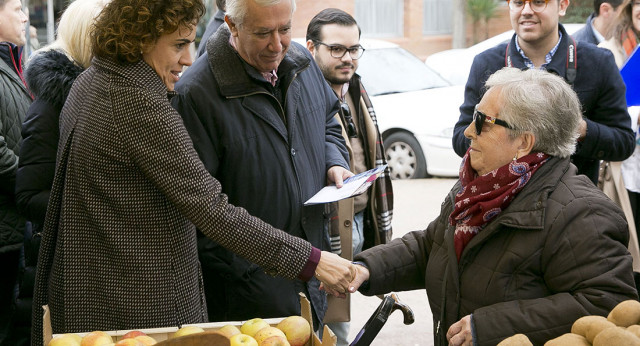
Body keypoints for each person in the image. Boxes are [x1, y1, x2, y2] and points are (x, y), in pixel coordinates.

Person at [30, 0, 354, 344]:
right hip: (136, 306)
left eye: (190, 43)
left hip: (93, 294)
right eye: (179, 45)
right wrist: (310, 260)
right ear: (140, 39)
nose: (187, 58)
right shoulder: (140, 104)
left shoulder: (94, 80)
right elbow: (212, 209)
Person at [348, 67, 639, 346]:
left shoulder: (582, 213)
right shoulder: (478, 186)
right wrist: (366, 268)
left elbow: (606, 303)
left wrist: (488, 327)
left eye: (483, 121)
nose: (469, 132)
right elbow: (432, 246)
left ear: (524, 142)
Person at [172, 0, 352, 329]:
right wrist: (251, 275)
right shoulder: (195, 96)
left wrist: (333, 160)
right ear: (232, 25)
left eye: (284, 29)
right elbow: (200, 216)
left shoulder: (301, 63)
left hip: (313, 276)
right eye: (263, 33)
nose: (277, 44)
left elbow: (327, 122)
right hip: (248, 300)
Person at [452, 0, 635, 186]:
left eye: (539, 2)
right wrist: (498, 133)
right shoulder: (486, 64)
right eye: (518, 3)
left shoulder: (598, 62)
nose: (526, 11)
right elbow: (460, 138)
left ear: (562, 6)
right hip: (501, 205)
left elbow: (624, 142)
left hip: (572, 204)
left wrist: (579, 129)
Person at [10, 0, 107, 344]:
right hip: (66, 264)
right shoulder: (52, 104)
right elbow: (29, 195)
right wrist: (95, 205)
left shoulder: (105, 95)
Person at [305, 8, 393, 345]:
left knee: (339, 315)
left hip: (358, 219)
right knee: (325, 322)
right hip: (322, 227)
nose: (348, 58)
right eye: (337, 49)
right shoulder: (302, 96)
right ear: (312, 48)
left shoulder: (356, 89)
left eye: (354, 49)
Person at [0, 0, 31, 343]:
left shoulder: (15, 63)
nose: (24, 16)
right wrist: (30, 182)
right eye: (17, 8)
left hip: (12, 227)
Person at [599, 0, 640, 246]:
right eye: (637, 3)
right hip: (623, 168)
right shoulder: (606, 52)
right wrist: (635, 114)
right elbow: (598, 112)